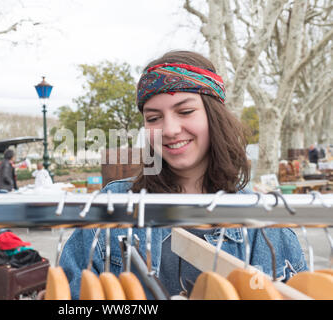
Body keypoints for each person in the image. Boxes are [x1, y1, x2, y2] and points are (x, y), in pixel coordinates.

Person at [59, 50, 307, 299]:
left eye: (185, 112)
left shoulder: (265, 227)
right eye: (154, 118)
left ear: (214, 116)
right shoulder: (113, 204)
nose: (170, 129)